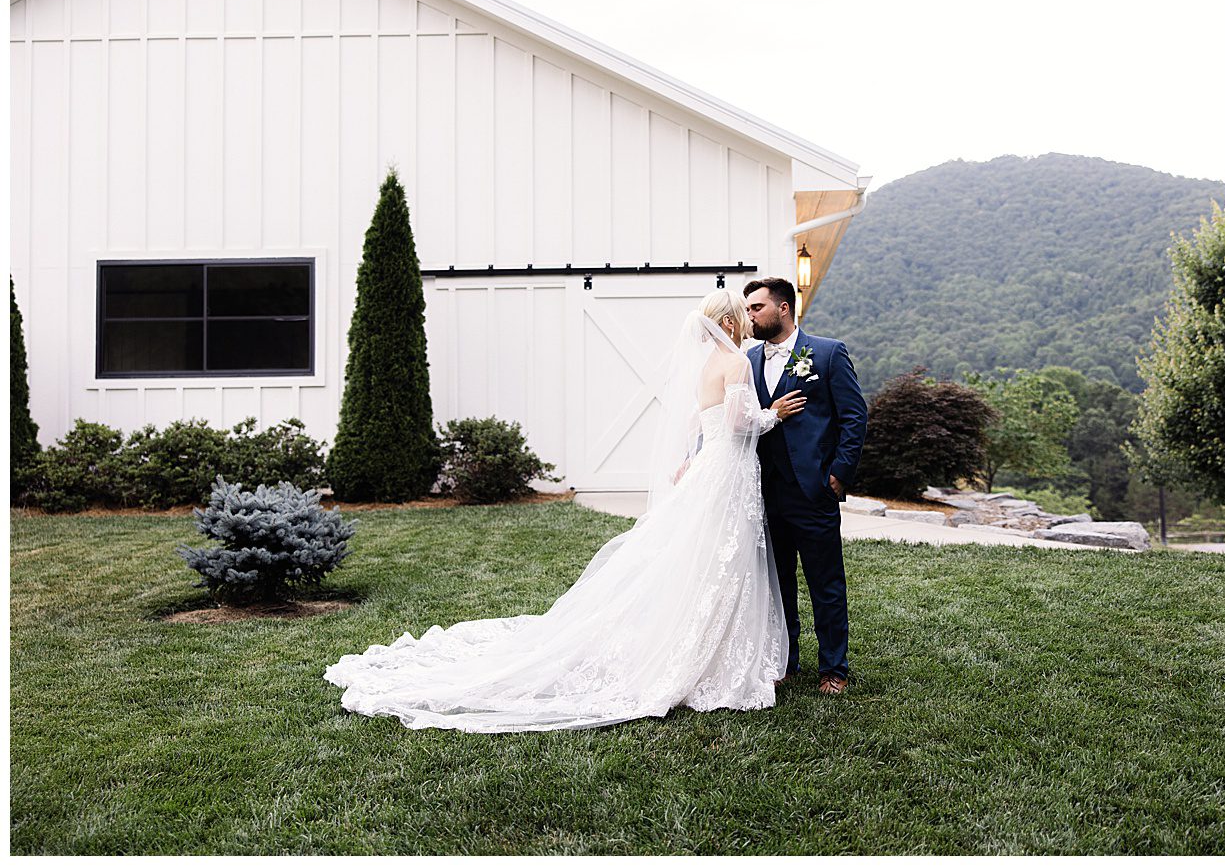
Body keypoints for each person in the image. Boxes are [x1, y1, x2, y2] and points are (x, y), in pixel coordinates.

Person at [324, 289, 808, 731]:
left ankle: (710, 650)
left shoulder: (706, 365)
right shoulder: (737, 364)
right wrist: (775, 415)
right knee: (724, 561)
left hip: (711, 469)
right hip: (726, 473)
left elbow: (694, 421)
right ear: (726, 324)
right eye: (740, 315)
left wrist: (691, 458)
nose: (746, 321)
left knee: (703, 561)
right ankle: (713, 660)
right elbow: (740, 422)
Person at [743, 278, 868, 696]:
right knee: (777, 585)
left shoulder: (828, 353)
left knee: (825, 583)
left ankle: (834, 667)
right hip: (764, 491)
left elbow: (854, 416)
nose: (750, 315)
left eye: (757, 307)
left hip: (814, 490)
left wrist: (840, 473)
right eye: (747, 309)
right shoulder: (748, 358)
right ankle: (786, 662)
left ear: (783, 309)